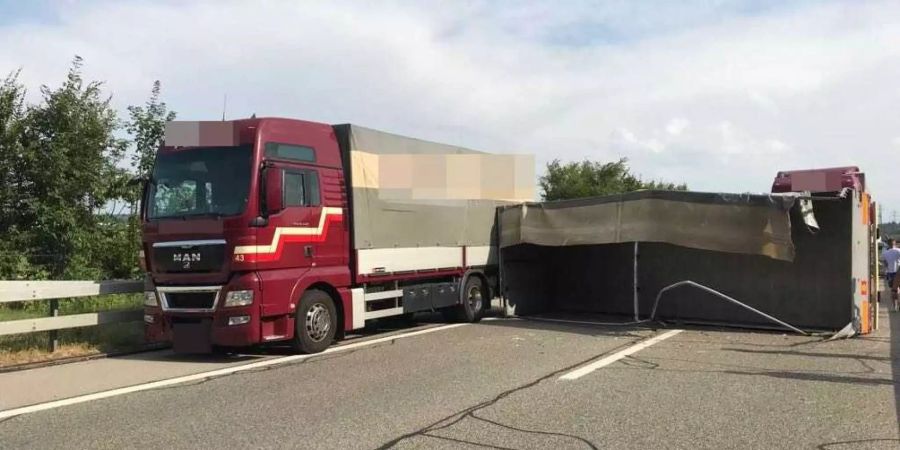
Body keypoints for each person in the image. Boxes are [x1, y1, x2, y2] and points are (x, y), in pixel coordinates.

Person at [881, 238, 900, 311]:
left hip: (890, 273)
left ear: (888, 244)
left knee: (893, 290)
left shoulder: (885, 253)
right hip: (898, 271)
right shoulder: (898, 251)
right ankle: (899, 303)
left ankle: (894, 306)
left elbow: (885, 263)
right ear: (895, 243)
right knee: (898, 289)